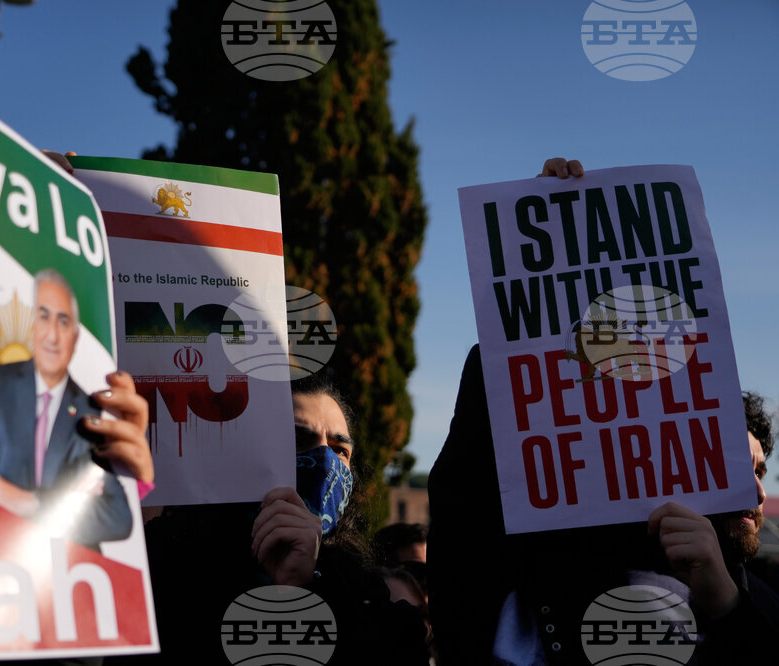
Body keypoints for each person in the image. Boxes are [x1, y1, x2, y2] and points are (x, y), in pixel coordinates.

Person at [427, 158, 779, 664]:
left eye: (759, 470)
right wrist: (546, 261)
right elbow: (465, 525)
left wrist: (724, 598)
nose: (756, 488)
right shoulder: (543, 579)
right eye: (739, 465)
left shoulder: (754, 604)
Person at [120, 376, 428, 665]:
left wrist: (304, 590)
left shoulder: (374, 605)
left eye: (339, 450)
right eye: (297, 439)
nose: (324, 463)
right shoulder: (175, 575)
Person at [0, 268, 137, 546]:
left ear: (75, 338)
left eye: (63, 322)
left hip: (69, 573)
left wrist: (31, 502)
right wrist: (69, 498)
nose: (52, 335)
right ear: (32, 326)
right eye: (44, 317)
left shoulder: (89, 410)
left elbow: (117, 517)